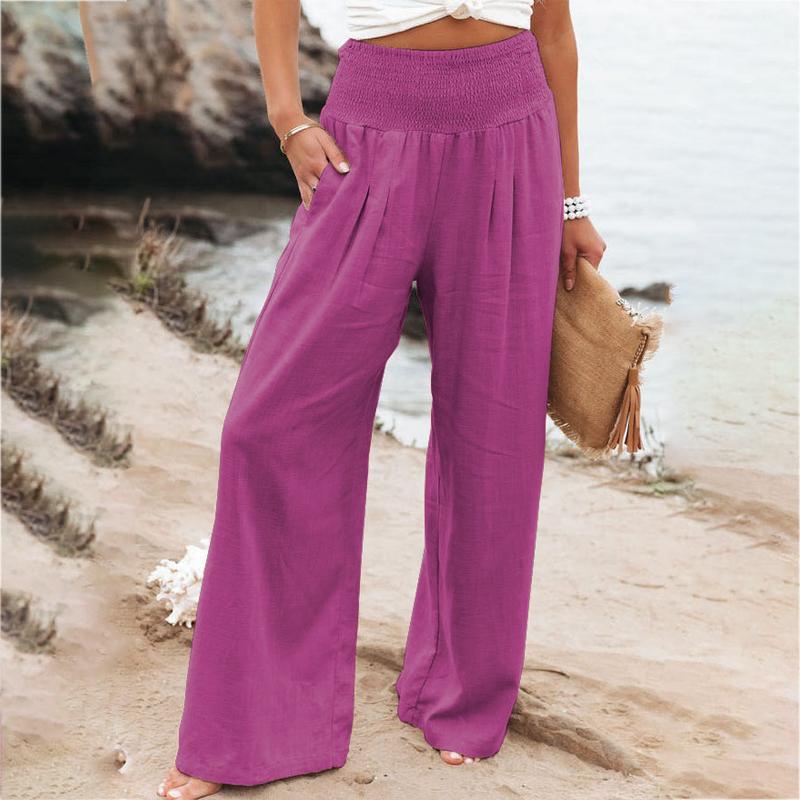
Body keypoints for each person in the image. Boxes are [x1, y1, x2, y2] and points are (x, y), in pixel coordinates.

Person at [158, 0, 606, 796]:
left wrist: (572, 203)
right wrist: (288, 118)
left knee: (495, 436)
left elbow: (555, 29)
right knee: (268, 427)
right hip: (367, 133)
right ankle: (254, 725)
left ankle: (460, 695)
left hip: (513, 131)